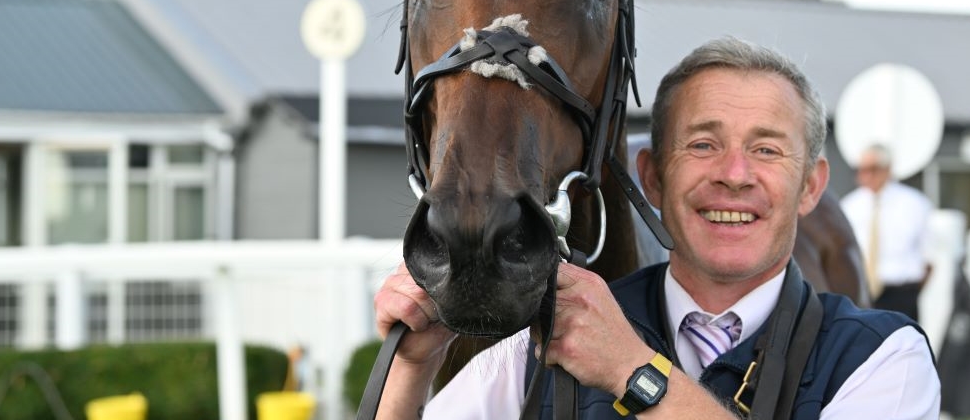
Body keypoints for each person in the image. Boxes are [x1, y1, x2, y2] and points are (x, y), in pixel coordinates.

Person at [373, 36, 939, 419]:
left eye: (766, 149)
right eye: (703, 145)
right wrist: (411, 368)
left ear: (811, 186)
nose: (734, 176)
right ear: (652, 178)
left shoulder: (884, 357)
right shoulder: (535, 351)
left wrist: (632, 369)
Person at [839, 144, 933, 321]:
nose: (865, 176)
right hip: (861, 295)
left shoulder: (914, 204)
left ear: (887, 169)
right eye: (861, 170)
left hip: (901, 295)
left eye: (872, 169)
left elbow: (929, 259)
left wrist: (911, 291)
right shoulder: (850, 206)